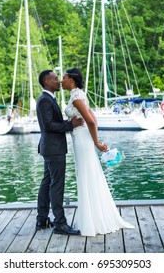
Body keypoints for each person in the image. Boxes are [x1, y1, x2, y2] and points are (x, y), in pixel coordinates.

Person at [61, 67, 134, 236]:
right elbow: (93, 120)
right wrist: (96, 140)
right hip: (82, 138)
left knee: (86, 175)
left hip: (82, 140)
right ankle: (94, 216)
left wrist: (96, 143)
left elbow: (92, 122)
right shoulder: (79, 94)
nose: (61, 81)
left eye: (64, 78)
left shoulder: (77, 97)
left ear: (71, 79)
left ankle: (92, 221)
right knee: (89, 175)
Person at [36, 69, 83, 235]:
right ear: (47, 82)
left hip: (50, 148)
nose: (59, 81)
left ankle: (42, 219)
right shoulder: (45, 100)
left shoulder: (48, 99)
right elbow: (49, 125)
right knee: (57, 186)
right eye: (56, 79)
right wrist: (71, 125)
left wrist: (67, 123)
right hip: (53, 149)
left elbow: (51, 122)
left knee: (47, 183)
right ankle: (60, 223)